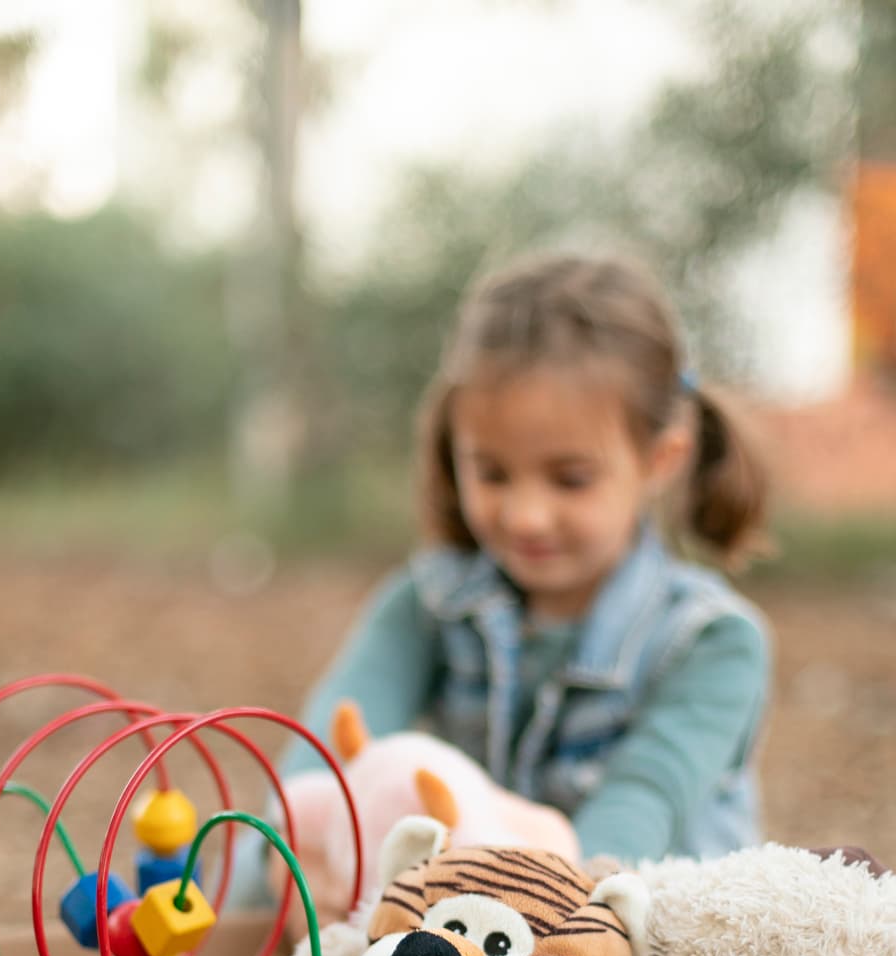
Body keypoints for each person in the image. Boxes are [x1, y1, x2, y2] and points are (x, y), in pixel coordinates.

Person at [235, 249, 772, 904]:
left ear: (661, 459)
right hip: (479, 942)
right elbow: (320, 763)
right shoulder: (428, 604)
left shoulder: (711, 642)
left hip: (628, 936)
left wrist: (532, 930)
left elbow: (636, 815)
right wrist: (278, 875)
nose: (526, 515)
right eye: (492, 473)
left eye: (570, 479)